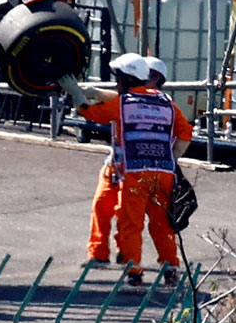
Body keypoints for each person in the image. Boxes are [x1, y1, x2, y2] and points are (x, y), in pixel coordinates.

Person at [59, 54, 192, 287]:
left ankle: (135, 274)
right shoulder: (165, 103)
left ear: (127, 79)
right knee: (162, 223)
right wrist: (171, 156)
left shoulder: (123, 104)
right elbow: (185, 133)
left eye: (119, 78)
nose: (116, 82)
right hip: (164, 173)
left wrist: (75, 92)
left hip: (135, 173)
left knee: (131, 223)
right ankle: (171, 268)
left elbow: (91, 112)